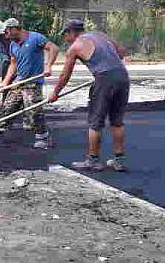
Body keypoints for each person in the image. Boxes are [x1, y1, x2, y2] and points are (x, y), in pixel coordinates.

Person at [48, 19, 130, 172]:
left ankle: (93, 160)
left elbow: (65, 75)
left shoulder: (75, 47)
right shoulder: (100, 35)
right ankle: (119, 161)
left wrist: (55, 93)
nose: (66, 39)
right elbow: (121, 52)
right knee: (117, 121)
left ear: (72, 32)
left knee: (95, 122)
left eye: (66, 35)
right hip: (122, 76)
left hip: (105, 79)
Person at [0, 17, 58, 149]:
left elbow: (54, 48)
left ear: (14, 29)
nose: (6, 35)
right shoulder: (13, 44)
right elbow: (13, 63)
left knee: (34, 110)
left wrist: (48, 66)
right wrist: (3, 82)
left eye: (7, 32)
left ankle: (43, 137)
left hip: (33, 81)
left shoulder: (35, 38)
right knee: (8, 106)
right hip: (19, 80)